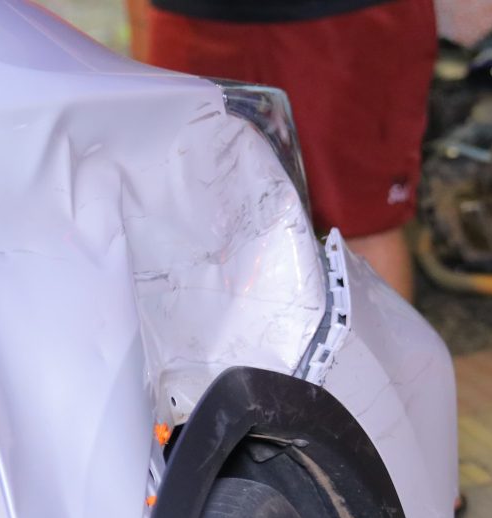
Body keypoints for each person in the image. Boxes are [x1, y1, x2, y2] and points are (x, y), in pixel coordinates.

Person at [132, 0, 437, 302]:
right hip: (190, 18)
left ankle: (374, 351)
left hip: (342, 19)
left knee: (361, 221)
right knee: (196, 222)